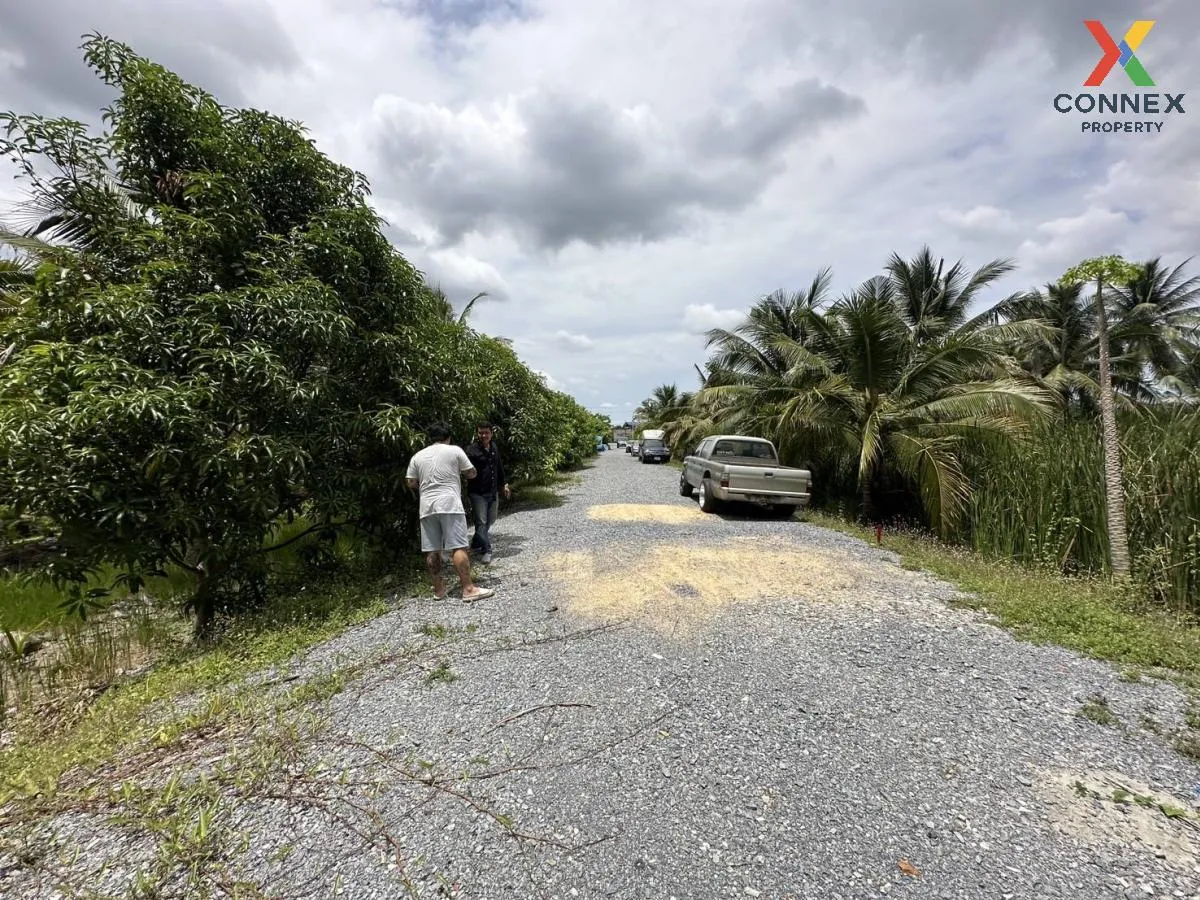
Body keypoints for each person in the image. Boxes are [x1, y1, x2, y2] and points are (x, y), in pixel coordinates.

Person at [405, 424, 495, 602]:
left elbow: (410, 482)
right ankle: (468, 589)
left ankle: (439, 590)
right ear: (448, 437)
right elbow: (471, 473)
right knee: (458, 546)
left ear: (431, 438)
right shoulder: (454, 450)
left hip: (426, 507)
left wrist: (425, 486)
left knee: (432, 550)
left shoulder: (418, 456)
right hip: (449, 504)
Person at [465, 422, 511, 564]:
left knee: (491, 519)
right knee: (481, 522)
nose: (484, 435)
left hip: (492, 491)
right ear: (477, 434)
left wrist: (504, 484)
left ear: (491, 433)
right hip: (477, 493)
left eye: (486, 432)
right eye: (480, 433)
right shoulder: (471, 450)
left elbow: (498, 467)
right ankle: (487, 549)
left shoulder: (494, 447)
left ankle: (475, 542)